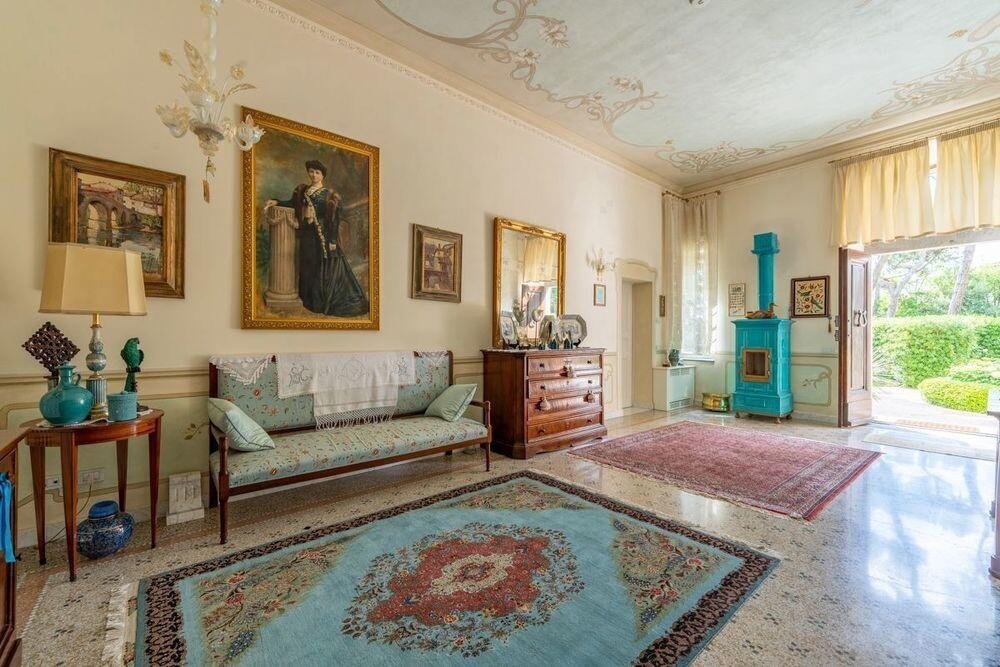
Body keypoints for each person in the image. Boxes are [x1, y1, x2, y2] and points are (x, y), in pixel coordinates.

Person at [265, 160, 368, 316]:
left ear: (322, 176)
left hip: (322, 237)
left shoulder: (329, 196)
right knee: (308, 266)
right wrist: (277, 201)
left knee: (321, 267)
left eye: (317, 172)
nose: (313, 175)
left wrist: (332, 241)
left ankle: (319, 303)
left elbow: (333, 220)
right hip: (307, 236)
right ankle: (308, 301)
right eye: (311, 171)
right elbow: (292, 204)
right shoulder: (302, 191)